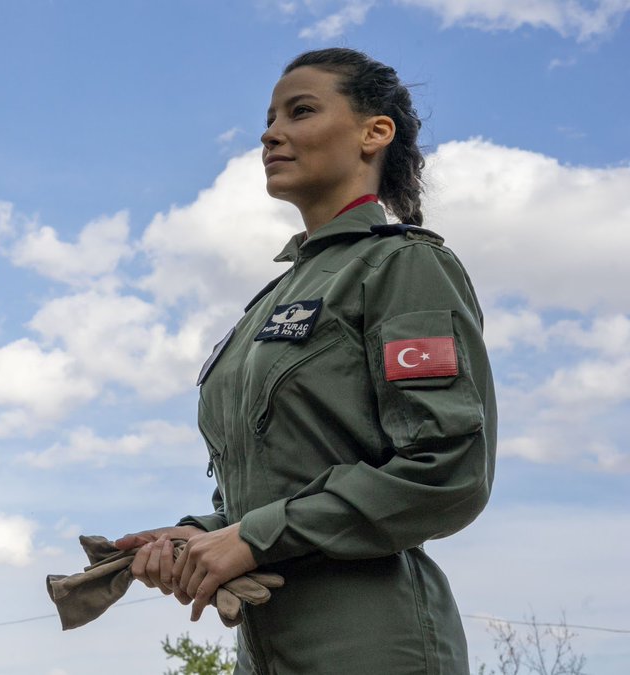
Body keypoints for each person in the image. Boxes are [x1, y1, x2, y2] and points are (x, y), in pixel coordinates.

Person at [114, 48, 497, 674]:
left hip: (372, 644)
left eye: (301, 111)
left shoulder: (402, 266)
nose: (271, 134)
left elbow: (447, 469)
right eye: (269, 119)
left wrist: (253, 536)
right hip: (264, 646)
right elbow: (284, 484)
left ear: (374, 133)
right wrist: (204, 534)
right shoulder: (271, 301)